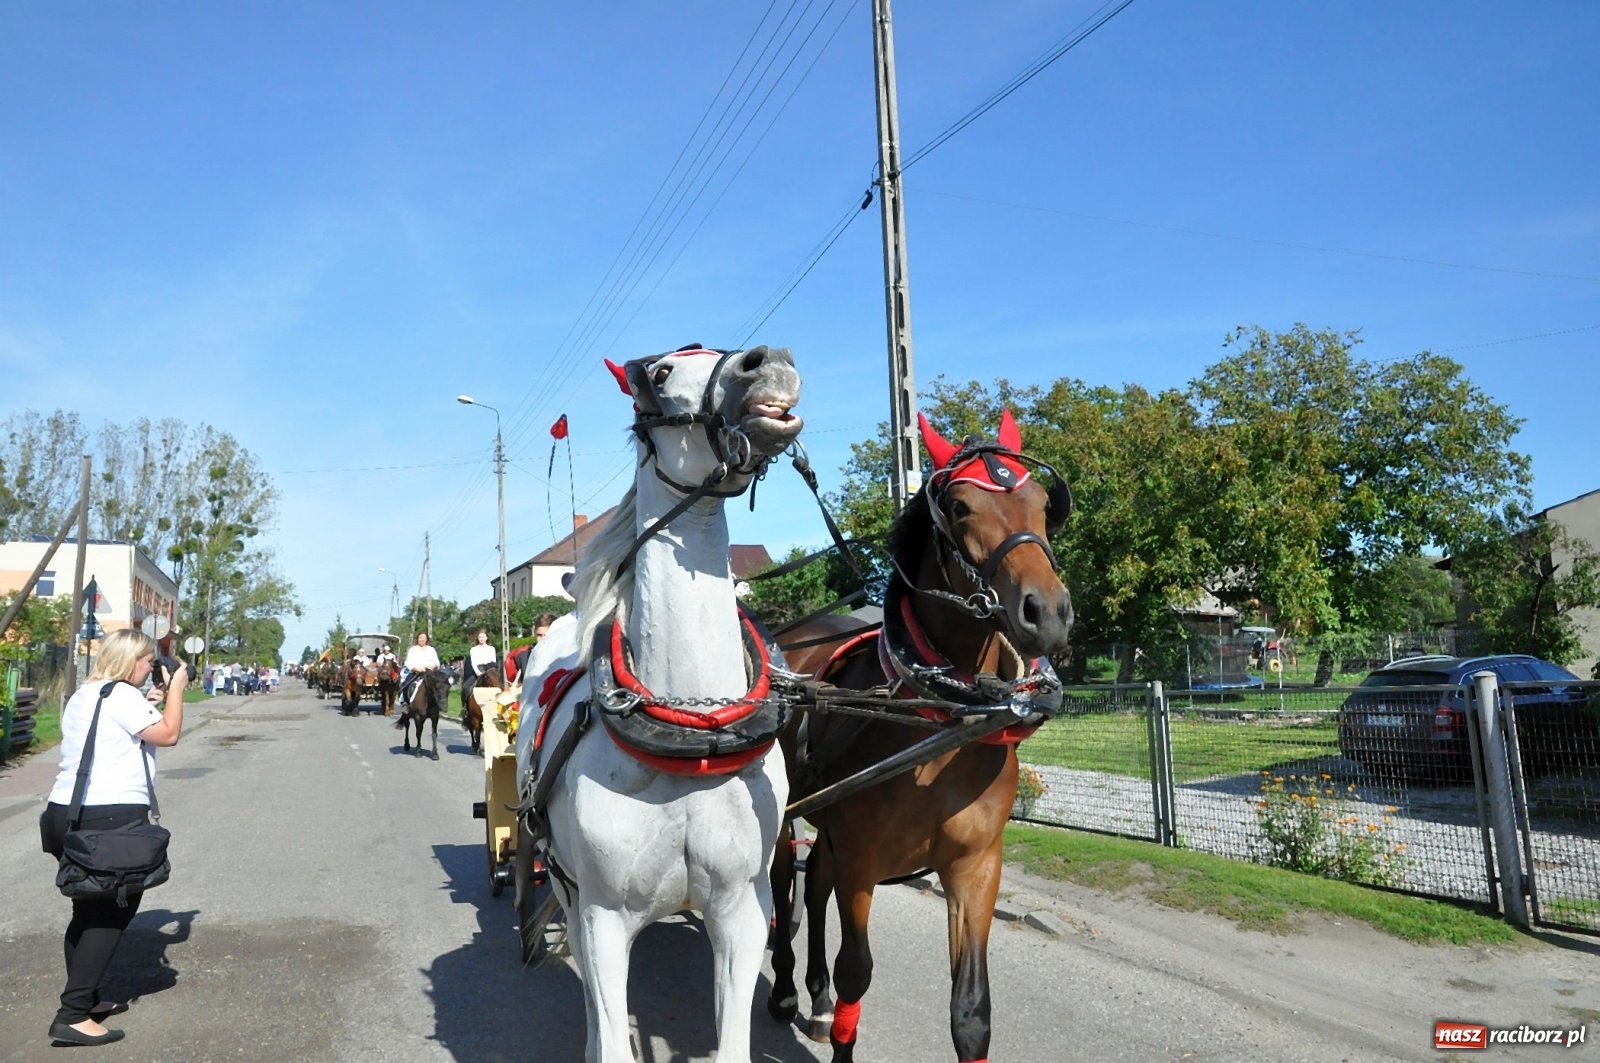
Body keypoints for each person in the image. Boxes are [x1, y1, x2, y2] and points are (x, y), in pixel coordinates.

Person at [39, 629, 188, 1047]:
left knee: (88, 911)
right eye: (146, 663)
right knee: (111, 914)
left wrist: (151, 702)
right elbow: (169, 734)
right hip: (108, 818)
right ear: (130, 662)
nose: (148, 670)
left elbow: (121, 730)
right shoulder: (122, 695)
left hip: (63, 814)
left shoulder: (87, 694)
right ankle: (71, 1015)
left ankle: (87, 1003)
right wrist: (176, 687)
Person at [401, 631, 440, 706]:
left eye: (424, 638)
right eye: (420, 638)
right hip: (416, 673)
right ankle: (406, 704)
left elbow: (437, 662)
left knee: (440, 685)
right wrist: (415, 668)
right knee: (406, 684)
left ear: (427, 640)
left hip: (429, 674)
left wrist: (432, 666)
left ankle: (438, 705)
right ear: (417, 639)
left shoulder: (431, 649)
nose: (422, 639)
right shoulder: (412, 649)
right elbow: (408, 663)